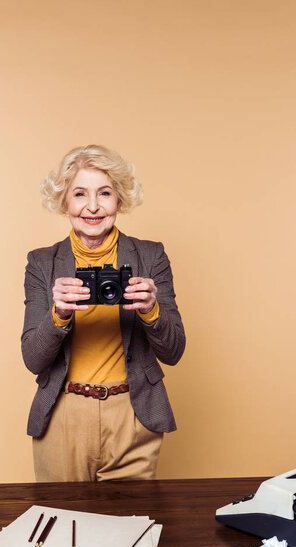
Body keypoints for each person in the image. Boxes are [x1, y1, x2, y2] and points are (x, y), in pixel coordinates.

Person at [21, 145, 185, 482]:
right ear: (64, 202)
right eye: (79, 194)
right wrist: (59, 315)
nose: (92, 206)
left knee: (132, 528)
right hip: (63, 414)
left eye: (105, 193)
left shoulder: (151, 257)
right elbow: (33, 359)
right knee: (63, 527)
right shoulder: (42, 262)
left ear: (120, 200)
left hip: (134, 413)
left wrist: (152, 310)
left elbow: (174, 352)